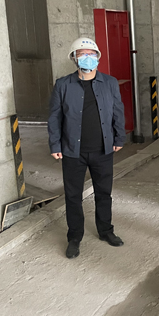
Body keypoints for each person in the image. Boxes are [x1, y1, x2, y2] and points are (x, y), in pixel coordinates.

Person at [48, 37, 126, 259]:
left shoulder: (109, 83)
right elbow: (55, 117)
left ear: (98, 57)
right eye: (82, 54)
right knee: (73, 196)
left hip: (103, 149)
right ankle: (74, 237)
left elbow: (118, 112)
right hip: (73, 151)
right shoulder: (63, 85)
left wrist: (119, 138)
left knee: (104, 193)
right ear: (74, 58)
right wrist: (55, 143)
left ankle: (106, 230)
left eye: (91, 54)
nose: (87, 58)